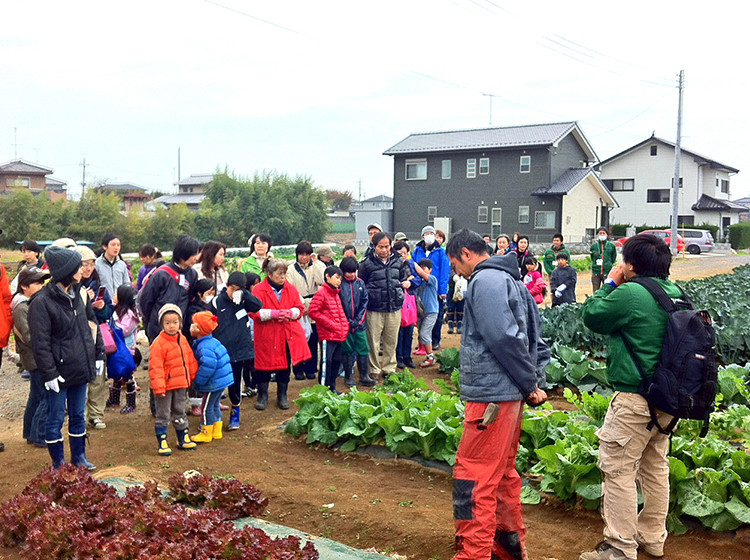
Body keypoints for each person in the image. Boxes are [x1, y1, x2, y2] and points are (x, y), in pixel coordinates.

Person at [445, 229, 549, 560]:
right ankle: (507, 545)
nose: (456, 272)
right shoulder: (513, 280)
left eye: (453, 264)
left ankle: (473, 554)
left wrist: (529, 384)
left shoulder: (485, 281)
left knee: (472, 475)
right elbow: (536, 340)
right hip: (509, 397)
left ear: (465, 253)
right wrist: (532, 383)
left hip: (491, 397)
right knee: (502, 473)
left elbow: (504, 338)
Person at [579, 234, 680, 560]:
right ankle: (652, 538)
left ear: (631, 265)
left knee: (618, 470)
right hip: (668, 401)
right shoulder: (677, 294)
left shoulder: (631, 293)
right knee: (655, 467)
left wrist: (610, 281)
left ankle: (619, 548)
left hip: (634, 401)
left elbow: (592, 316)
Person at [29, 245, 105, 470]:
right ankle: (58, 464)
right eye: (78, 267)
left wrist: (98, 354)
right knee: (54, 419)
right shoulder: (41, 302)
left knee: (78, 416)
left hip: (79, 368)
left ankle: (79, 458)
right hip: (58, 373)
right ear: (66, 271)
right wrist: (49, 373)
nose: (82, 271)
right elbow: (40, 343)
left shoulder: (79, 294)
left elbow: (91, 325)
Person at [250, 259, 311, 410]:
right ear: (269, 274)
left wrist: (290, 313)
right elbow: (253, 312)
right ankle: (263, 395)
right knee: (263, 366)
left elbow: (299, 307)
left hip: (285, 334)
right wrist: (273, 314)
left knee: (284, 364)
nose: (283, 276)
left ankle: (282, 395)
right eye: (280, 273)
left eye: (285, 273)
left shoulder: (290, 289)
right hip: (266, 334)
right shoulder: (258, 289)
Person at [210, 272, 262, 428]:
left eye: (238, 289)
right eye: (232, 288)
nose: (234, 293)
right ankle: (212, 414)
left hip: (239, 350)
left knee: (235, 383)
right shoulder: (216, 303)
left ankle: (235, 412)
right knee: (216, 383)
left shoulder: (244, 301)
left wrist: (245, 294)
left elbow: (258, 305)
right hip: (220, 349)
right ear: (227, 286)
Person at [149, 303, 198, 456]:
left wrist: (192, 376)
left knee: (180, 410)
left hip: (181, 384)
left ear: (180, 323)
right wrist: (158, 387)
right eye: (167, 322)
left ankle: (182, 437)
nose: (171, 326)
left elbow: (189, 359)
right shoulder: (158, 343)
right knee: (163, 413)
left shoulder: (182, 339)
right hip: (166, 386)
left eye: (175, 322)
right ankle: (162, 440)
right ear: (162, 324)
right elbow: (155, 367)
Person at [358, 232, 408, 381]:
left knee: (391, 340)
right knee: (372, 340)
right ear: (374, 246)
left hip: (394, 306)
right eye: (381, 247)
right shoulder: (366, 263)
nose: (384, 250)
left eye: (387, 246)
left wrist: (404, 285)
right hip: (374, 308)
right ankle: (374, 369)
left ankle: (389, 368)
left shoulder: (398, 261)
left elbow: (403, 277)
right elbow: (361, 284)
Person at [13, 266, 51, 447]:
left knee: (36, 395)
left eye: (42, 282)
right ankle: (38, 434)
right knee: (44, 396)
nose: (41, 285)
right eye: (37, 283)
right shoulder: (22, 307)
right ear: (24, 286)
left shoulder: (25, 303)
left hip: (34, 356)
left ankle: (30, 432)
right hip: (34, 358)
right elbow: (29, 336)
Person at [77, 245, 114, 430]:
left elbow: (108, 313)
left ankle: (96, 415)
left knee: (99, 378)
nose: (88, 268)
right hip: (76, 339)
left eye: (91, 264)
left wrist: (101, 307)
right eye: (84, 264)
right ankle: (79, 416)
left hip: (97, 337)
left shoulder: (98, 286)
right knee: (80, 378)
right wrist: (85, 302)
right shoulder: (70, 288)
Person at [140, 235, 201, 342]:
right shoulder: (161, 274)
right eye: (193, 254)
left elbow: (191, 301)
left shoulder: (192, 275)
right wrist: (153, 323)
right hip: (159, 330)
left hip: (180, 330)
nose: (196, 258)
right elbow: (146, 302)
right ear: (183, 254)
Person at [189, 311, 234, 444]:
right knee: (214, 405)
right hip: (221, 380)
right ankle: (217, 430)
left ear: (199, 329)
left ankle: (206, 432)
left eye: (193, 324)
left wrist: (199, 381)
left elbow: (208, 365)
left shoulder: (204, 346)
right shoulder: (212, 341)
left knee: (206, 407)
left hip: (213, 382)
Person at [286, 240, 326, 381]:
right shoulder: (291, 269)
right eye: (301, 254)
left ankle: (311, 368)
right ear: (297, 255)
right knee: (298, 339)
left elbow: (322, 282)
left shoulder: (316, 266)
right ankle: (298, 369)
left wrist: (316, 264)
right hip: (299, 306)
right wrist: (303, 305)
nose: (304, 257)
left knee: (313, 339)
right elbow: (290, 289)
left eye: (307, 254)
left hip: (314, 306)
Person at [308, 266, 349, 393]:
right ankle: (323, 391)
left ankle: (332, 388)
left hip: (338, 334)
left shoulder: (335, 293)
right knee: (327, 362)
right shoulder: (321, 293)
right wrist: (330, 324)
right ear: (327, 277)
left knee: (336, 361)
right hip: (327, 334)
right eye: (336, 278)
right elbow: (313, 312)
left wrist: (344, 326)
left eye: (340, 279)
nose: (339, 281)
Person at [412, 226, 450, 353]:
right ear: (422, 236)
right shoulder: (417, 250)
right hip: (420, 288)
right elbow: (413, 267)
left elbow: (445, 271)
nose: (429, 235)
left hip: (435, 287)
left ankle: (435, 341)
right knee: (420, 316)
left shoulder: (440, 251)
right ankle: (422, 343)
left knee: (437, 316)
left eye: (431, 233)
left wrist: (443, 290)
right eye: (427, 233)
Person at [338, 257, 375, 386]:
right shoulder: (339, 285)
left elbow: (365, 301)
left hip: (359, 325)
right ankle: (348, 377)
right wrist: (346, 321)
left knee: (363, 348)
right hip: (345, 325)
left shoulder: (360, 283)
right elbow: (338, 305)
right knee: (347, 350)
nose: (352, 274)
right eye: (349, 272)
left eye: (354, 271)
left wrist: (358, 320)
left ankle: (364, 376)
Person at [108, 285, 141, 414]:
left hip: (127, 351)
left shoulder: (129, 315)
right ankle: (114, 399)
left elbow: (124, 330)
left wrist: (113, 326)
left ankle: (131, 403)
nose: (114, 296)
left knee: (128, 376)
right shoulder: (119, 310)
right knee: (117, 374)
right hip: (119, 349)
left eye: (116, 294)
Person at [394, 241, 418, 369]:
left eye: (405, 253)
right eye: (400, 253)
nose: (403, 255)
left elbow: (418, 279)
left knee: (409, 330)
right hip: (397, 300)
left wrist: (411, 283)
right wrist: (401, 283)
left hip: (409, 300)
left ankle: (407, 357)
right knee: (399, 331)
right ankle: (399, 357)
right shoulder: (393, 265)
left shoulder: (411, 264)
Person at [413, 259, 439, 367]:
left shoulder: (432, 279)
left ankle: (430, 357)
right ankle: (428, 355)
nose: (422, 270)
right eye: (421, 267)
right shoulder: (418, 281)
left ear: (430, 270)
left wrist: (413, 264)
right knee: (422, 334)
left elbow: (422, 274)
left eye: (424, 268)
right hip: (421, 312)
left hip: (431, 312)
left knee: (424, 334)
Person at [242, 272, 262, 397]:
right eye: (254, 284)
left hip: (257, 337)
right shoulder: (243, 300)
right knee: (247, 364)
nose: (257, 286)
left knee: (256, 363)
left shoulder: (257, 299)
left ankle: (256, 385)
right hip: (247, 337)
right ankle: (248, 385)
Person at [95, 233, 130, 298]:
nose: (116, 248)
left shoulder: (122, 265)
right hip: (103, 304)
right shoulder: (97, 264)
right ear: (105, 247)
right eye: (113, 245)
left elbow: (127, 283)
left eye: (118, 245)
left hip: (119, 303)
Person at [590, 226, 618, 292]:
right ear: (597, 235)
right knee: (596, 291)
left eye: (604, 233)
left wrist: (608, 264)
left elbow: (613, 257)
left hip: (607, 271)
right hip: (596, 271)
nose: (602, 235)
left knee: (608, 290)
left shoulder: (611, 245)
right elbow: (592, 257)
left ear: (607, 234)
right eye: (600, 233)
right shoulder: (594, 246)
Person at [446, 266, 467, 334]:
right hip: (452, 287)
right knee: (450, 308)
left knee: (460, 308)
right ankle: (451, 327)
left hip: (462, 287)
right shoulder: (451, 264)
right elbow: (448, 272)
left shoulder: (463, 263)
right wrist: (454, 276)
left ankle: (459, 326)